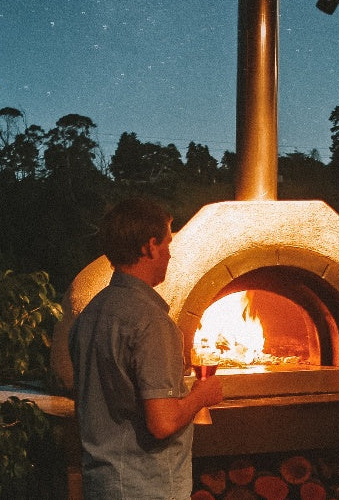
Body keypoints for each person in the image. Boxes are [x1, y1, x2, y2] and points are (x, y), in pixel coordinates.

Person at [68, 197, 223, 500]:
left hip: (101, 485)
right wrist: (201, 396)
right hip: (146, 488)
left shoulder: (89, 315)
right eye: (167, 244)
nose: (169, 254)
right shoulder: (152, 323)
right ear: (150, 246)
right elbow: (162, 423)